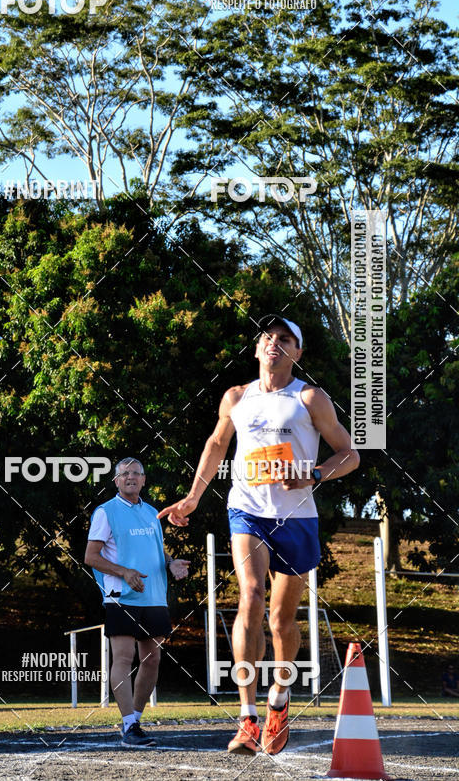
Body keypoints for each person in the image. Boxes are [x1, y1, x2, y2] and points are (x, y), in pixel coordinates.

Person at [158, 315, 360, 756]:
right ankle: (247, 717)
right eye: (268, 337)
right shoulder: (236, 397)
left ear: (297, 352)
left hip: (298, 518)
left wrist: (315, 473)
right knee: (249, 594)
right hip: (246, 512)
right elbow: (215, 444)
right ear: (257, 349)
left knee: (281, 621)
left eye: (286, 338)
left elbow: (351, 454)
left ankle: (279, 701)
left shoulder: (310, 397)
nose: (275, 344)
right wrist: (193, 497)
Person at [84, 457, 190, 747]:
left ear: (144, 480)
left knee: (152, 659)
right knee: (122, 657)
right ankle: (128, 724)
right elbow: (90, 557)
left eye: (136, 473)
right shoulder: (105, 512)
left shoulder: (153, 513)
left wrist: (171, 563)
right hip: (120, 596)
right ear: (116, 481)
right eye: (124, 474)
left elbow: (156, 552)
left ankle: (135, 722)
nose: (130, 477)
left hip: (153, 595)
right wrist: (124, 572)